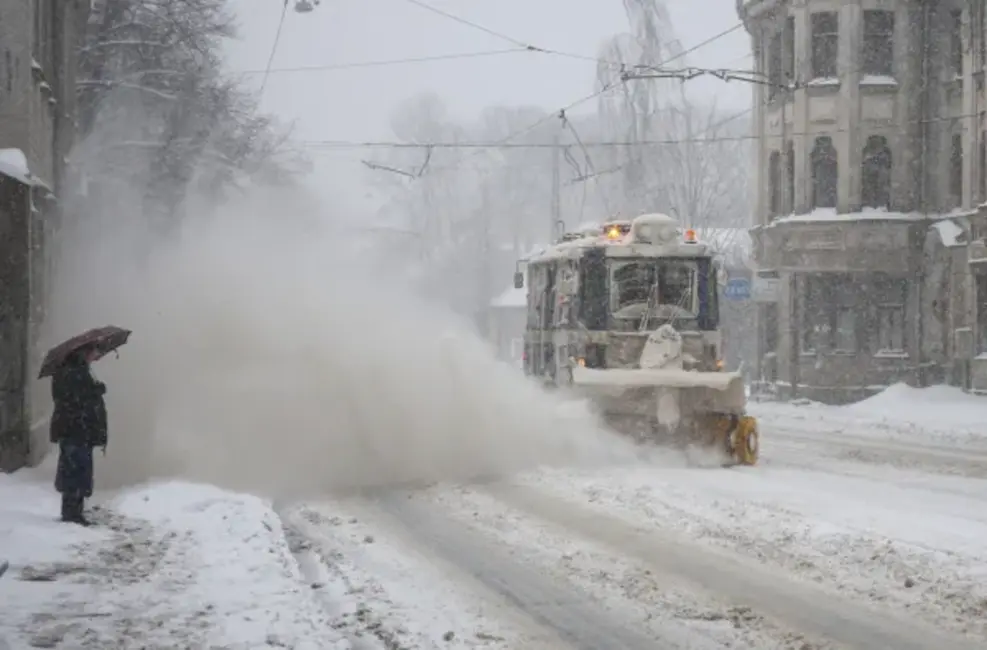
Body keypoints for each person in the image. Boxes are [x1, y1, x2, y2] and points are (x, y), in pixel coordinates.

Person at [49, 345, 107, 526]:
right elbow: (75, 399)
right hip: (76, 430)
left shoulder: (73, 371)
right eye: (95, 352)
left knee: (76, 469)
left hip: (77, 430)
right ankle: (72, 513)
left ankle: (74, 511)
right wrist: (95, 391)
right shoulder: (74, 372)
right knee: (76, 469)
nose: (97, 356)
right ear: (85, 352)